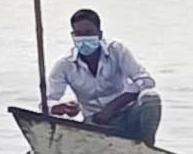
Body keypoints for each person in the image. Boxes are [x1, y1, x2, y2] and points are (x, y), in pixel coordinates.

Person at [43, 8, 161, 144]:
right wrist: (60, 107)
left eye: (88, 33)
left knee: (151, 98)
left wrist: (112, 107)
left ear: (99, 34)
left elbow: (145, 80)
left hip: (128, 114)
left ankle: (146, 147)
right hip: (95, 122)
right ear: (72, 35)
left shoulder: (116, 51)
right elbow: (47, 101)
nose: (83, 39)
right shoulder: (65, 64)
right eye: (79, 34)